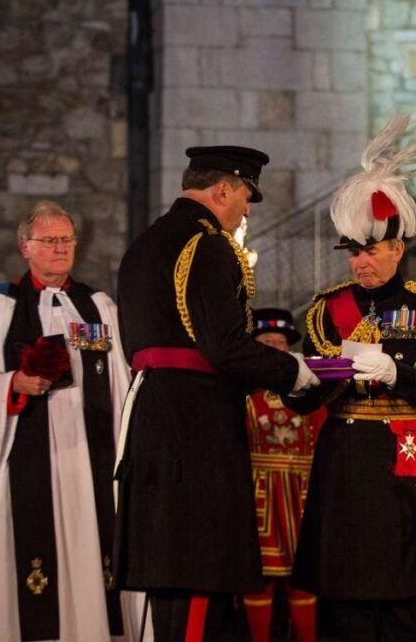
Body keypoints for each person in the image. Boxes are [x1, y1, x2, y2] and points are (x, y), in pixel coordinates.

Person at [113, 147, 320, 642]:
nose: (247, 211)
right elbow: (224, 344)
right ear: (222, 189)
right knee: (199, 570)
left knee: (170, 577)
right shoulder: (207, 245)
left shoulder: (143, 245)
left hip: (151, 411)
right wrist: (295, 374)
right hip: (197, 423)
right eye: (246, 196)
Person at [0, 201, 145, 642]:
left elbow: (123, 384)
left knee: (93, 552)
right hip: (22, 459)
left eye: (67, 240)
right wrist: (11, 385)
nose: (60, 248)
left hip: (89, 464)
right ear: (25, 247)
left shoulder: (100, 308)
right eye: (50, 240)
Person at [285, 115, 416, 641]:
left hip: (404, 458)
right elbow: (302, 406)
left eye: (371, 251)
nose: (361, 262)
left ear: (397, 249)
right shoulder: (323, 312)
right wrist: (298, 379)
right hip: (346, 461)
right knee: (344, 589)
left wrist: (397, 372)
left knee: (401, 591)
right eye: (354, 252)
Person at [243, 308, 326, 642]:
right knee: (257, 575)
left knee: (303, 576)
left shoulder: (311, 391)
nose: (276, 349)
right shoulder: (240, 392)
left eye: (281, 342)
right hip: (256, 495)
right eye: (267, 342)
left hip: (304, 495)